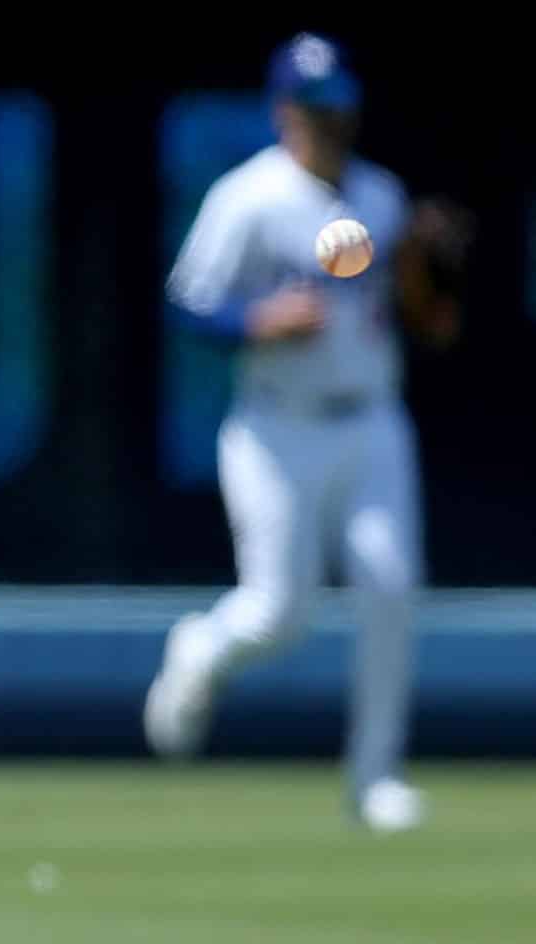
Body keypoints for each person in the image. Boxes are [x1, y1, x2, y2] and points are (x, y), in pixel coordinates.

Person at [143, 32, 471, 833]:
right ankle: (202, 649)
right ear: (284, 112)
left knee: (391, 585)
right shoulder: (248, 199)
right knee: (279, 612)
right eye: (315, 110)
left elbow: (421, 321)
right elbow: (187, 301)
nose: (330, 126)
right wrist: (258, 319)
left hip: (371, 421)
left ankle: (375, 778)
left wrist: (430, 296)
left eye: (340, 110)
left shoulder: (382, 199)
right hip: (275, 428)